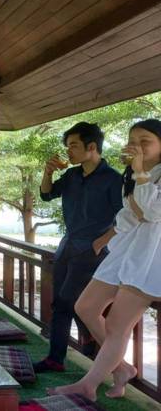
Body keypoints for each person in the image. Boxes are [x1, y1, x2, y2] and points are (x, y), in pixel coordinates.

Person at [49, 119, 161, 401]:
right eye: (133, 140)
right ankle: (122, 368)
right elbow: (130, 214)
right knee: (85, 306)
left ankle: (89, 384)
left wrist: (140, 173)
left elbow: (152, 213)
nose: (137, 146)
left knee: (117, 325)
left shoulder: (142, 173)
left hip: (151, 256)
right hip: (126, 249)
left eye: (145, 141)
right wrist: (108, 238)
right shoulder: (132, 173)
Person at [33, 122, 123, 373]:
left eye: (73, 145)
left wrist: (100, 243)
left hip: (92, 251)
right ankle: (62, 354)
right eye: (68, 146)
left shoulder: (113, 179)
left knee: (68, 301)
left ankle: (78, 349)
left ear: (91, 147)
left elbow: (125, 219)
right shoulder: (72, 175)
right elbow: (47, 195)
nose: (68, 151)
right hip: (67, 246)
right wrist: (48, 172)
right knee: (60, 302)